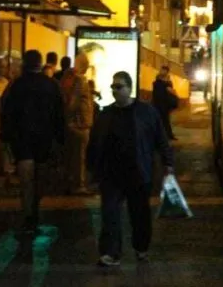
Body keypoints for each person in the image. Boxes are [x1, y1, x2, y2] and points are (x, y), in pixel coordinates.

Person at [88, 71, 174, 267]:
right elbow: (94, 143)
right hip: (111, 174)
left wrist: (168, 162)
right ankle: (111, 252)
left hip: (138, 172)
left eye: (119, 87)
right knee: (110, 214)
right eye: (113, 86)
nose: (114, 90)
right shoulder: (106, 114)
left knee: (140, 214)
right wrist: (92, 169)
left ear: (129, 88)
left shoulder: (146, 112)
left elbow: (160, 138)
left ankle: (141, 248)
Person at [0, 49, 65, 233]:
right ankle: (35, 208)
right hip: (44, 139)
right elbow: (59, 114)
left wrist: (5, 137)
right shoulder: (52, 85)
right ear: (40, 63)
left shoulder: (15, 86)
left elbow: (7, 114)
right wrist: (60, 140)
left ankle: (29, 214)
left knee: (26, 178)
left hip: (22, 139)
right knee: (40, 176)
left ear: (24, 64)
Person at [61, 53, 94, 194]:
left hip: (75, 123)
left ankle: (71, 183)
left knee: (74, 156)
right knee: (80, 157)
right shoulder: (80, 80)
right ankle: (79, 185)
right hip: (80, 124)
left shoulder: (72, 78)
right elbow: (74, 102)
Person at [151, 65, 178, 141]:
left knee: (164, 120)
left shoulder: (162, 81)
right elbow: (170, 91)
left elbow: (169, 90)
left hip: (163, 103)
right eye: (162, 70)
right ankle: (166, 135)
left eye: (163, 70)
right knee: (163, 120)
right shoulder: (163, 81)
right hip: (159, 103)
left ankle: (166, 135)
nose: (162, 71)